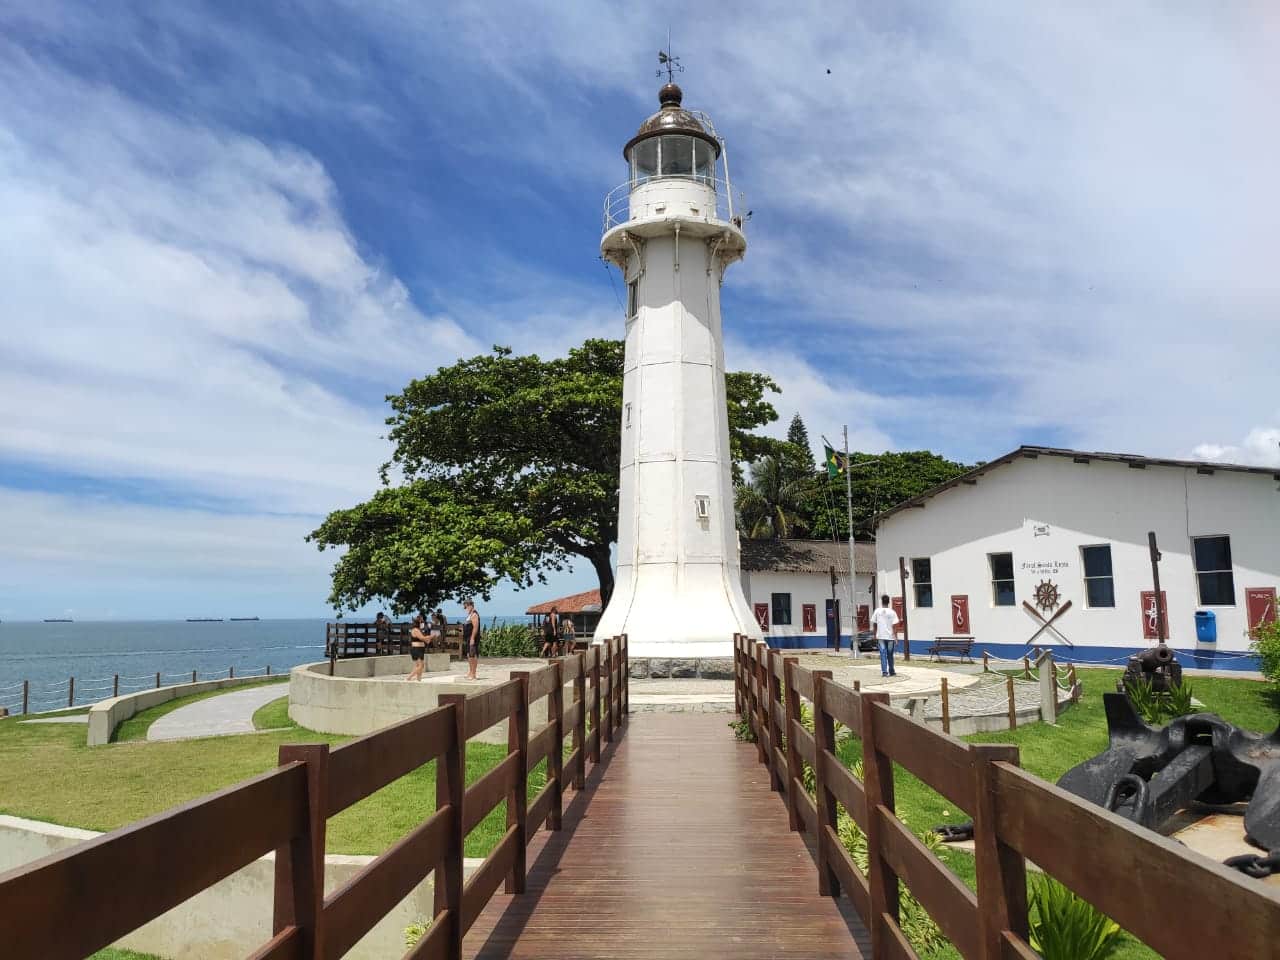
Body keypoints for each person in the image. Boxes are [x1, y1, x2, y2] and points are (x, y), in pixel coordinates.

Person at [870, 594, 899, 678]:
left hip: (881, 636)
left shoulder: (877, 611)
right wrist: (896, 638)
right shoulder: (892, 612)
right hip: (890, 637)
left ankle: (884, 672)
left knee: (883, 654)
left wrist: (875, 634)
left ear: (882, 601)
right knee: (890, 654)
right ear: (889, 602)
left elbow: (874, 624)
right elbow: (895, 626)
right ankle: (892, 671)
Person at [406, 614, 430, 681]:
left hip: (420, 649)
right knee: (421, 666)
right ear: (418, 623)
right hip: (416, 649)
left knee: (419, 666)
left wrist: (427, 639)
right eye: (421, 622)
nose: (422, 623)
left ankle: (419, 679)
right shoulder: (415, 630)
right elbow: (422, 638)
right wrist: (430, 637)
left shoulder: (419, 630)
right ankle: (409, 678)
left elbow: (423, 638)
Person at [462, 600, 481, 680]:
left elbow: (475, 627)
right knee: (469, 655)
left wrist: (472, 638)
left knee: (472, 655)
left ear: (470, 606)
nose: (465, 608)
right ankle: (470, 672)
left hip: (472, 638)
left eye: (466, 606)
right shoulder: (469, 615)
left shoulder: (474, 615)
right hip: (468, 638)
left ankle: (473, 674)